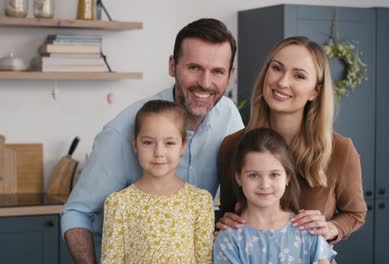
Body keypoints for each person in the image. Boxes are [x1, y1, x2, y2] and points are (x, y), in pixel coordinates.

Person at [61, 18, 244, 263]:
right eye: (194, 68)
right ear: (172, 66)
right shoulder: (121, 132)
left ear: (230, 75)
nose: (205, 82)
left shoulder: (229, 117)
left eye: (217, 72)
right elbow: (77, 212)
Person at [217, 36, 367, 246]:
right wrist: (225, 220)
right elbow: (228, 211)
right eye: (277, 68)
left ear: (315, 90)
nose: (282, 82)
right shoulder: (232, 146)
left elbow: (355, 213)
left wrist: (331, 228)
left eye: (299, 75)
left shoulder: (341, 150)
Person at [102, 100, 214, 263]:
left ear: (183, 145)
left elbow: (205, 260)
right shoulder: (119, 204)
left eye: (169, 143)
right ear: (135, 144)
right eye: (148, 142)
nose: (159, 152)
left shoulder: (199, 201)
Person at [213, 128, 336, 263]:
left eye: (274, 174)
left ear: (287, 177)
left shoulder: (308, 229)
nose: (265, 185)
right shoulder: (228, 239)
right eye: (253, 175)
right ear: (239, 178)